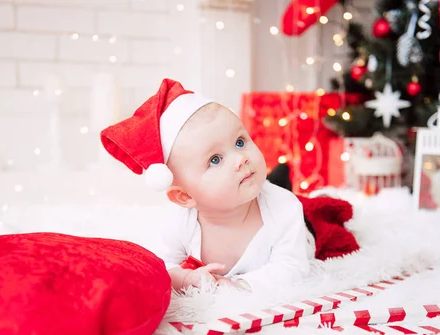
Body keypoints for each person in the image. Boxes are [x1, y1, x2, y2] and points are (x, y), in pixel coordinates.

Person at [101, 78, 311, 293]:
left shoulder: (283, 207)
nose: (241, 159)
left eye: (240, 142)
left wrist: (241, 285)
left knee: (306, 212)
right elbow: (160, 266)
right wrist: (186, 278)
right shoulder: (181, 221)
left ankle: (279, 178)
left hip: (282, 203)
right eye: (215, 159)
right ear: (185, 197)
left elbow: (293, 267)